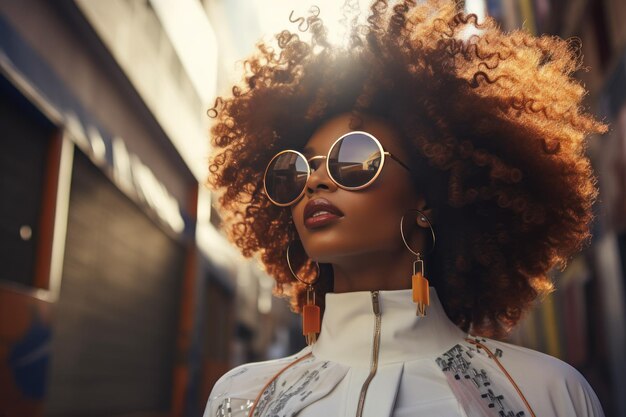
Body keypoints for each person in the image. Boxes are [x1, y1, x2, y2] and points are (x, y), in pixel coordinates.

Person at [203, 0, 608, 416]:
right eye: (296, 168)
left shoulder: (545, 394)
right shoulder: (241, 398)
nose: (315, 180)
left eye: (353, 159)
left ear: (425, 199)